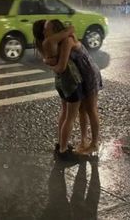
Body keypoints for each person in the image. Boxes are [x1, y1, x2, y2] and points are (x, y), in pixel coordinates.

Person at [33, 19, 102, 160]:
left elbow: (61, 66)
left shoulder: (66, 41)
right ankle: (84, 141)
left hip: (89, 73)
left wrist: (48, 63)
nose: (44, 31)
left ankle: (94, 143)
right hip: (80, 75)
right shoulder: (59, 41)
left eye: (47, 29)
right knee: (82, 110)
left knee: (91, 109)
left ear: (55, 30)